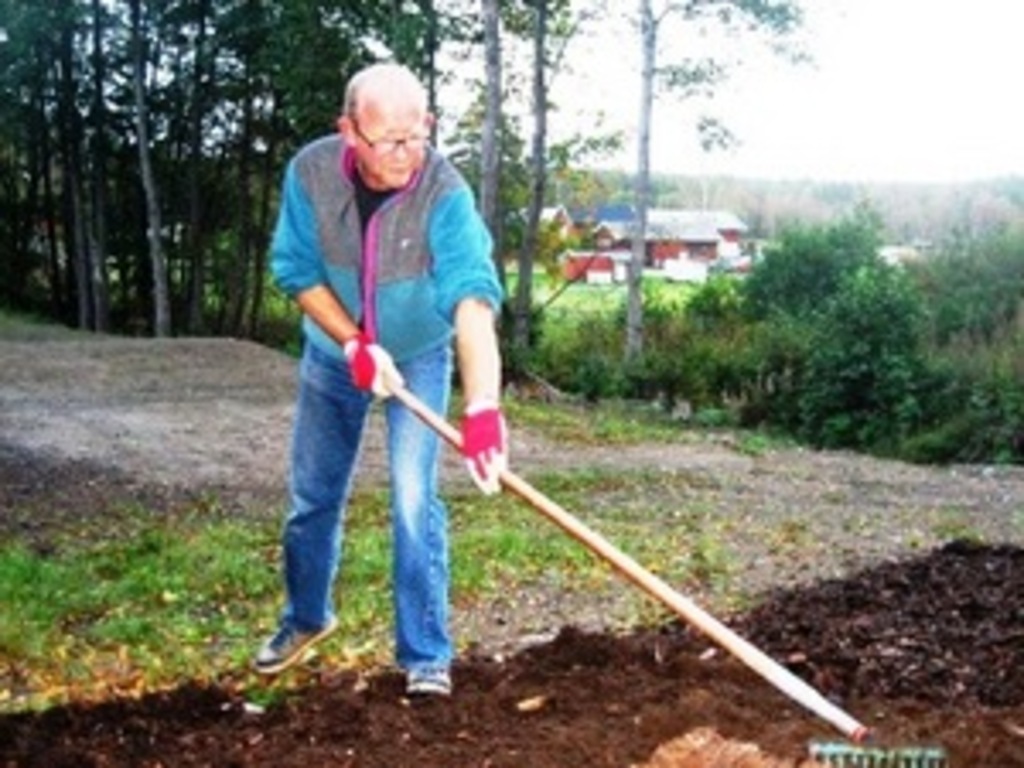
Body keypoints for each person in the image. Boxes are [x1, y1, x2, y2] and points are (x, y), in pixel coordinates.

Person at [255, 62, 507, 698]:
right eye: (388, 139)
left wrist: (482, 408)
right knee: (313, 498)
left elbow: (472, 299)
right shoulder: (310, 174)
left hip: (419, 354)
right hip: (332, 355)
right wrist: (352, 342)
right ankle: (306, 617)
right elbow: (295, 270)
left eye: (418, 133)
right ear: (349, 133)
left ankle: (425, 654)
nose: (406, 153)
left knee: (414, 500)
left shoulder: (444, 193)